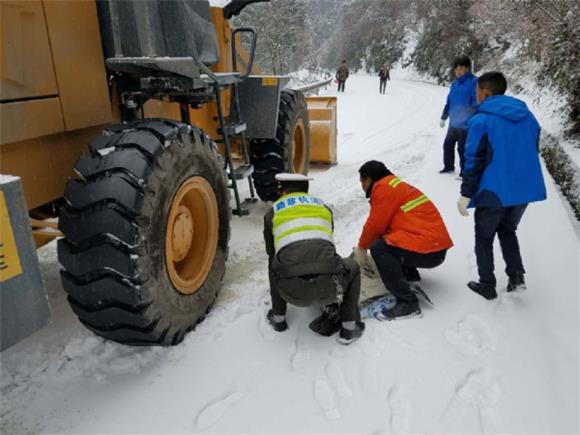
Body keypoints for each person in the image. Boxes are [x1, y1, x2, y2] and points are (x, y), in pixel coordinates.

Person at [457, 71, 546, 300]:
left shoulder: (482, 119)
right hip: (523, 189)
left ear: (486, 92)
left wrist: (466, 194)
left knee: (484, 236)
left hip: (493, 190)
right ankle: (516, 277)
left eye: (477, 91)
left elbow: (474, 159)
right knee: (508, 229)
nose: (475, 95)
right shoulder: (527, 116)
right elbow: (533, 145)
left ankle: (487, 284)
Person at [263, 173, 364, 344]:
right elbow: (327, 243)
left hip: (291, 293)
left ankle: (278, 319)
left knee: (274, 262)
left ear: (283, 192)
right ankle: (349, 329)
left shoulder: (273, 212)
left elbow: (271, 252)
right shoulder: (324, 208)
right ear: (306, 191)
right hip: (331, 288)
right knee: (353, 266)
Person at [354, 161, 453, 320]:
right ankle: (408, 274)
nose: (362, 187)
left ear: (367, 180)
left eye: (361, 182)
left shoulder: (384, 187)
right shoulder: (395, 185)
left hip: (430, 249)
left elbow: (375, 224)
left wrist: (361, 248)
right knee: (386, 238)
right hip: (434, 247)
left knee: (379, 248)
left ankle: (408, 303)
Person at [439, 55, 478, 175]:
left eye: (461, 68)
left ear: (467, 68)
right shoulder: (455, 84)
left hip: (466, 123)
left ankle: (465, 171)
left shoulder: (473, 82)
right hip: (454, 121)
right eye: (456, 69)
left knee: (463, 149)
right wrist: (444, 116)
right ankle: (448, 166)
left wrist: (474, 118)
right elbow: (450, 101)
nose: (458, 71)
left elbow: (476, 102)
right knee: (447, 145)